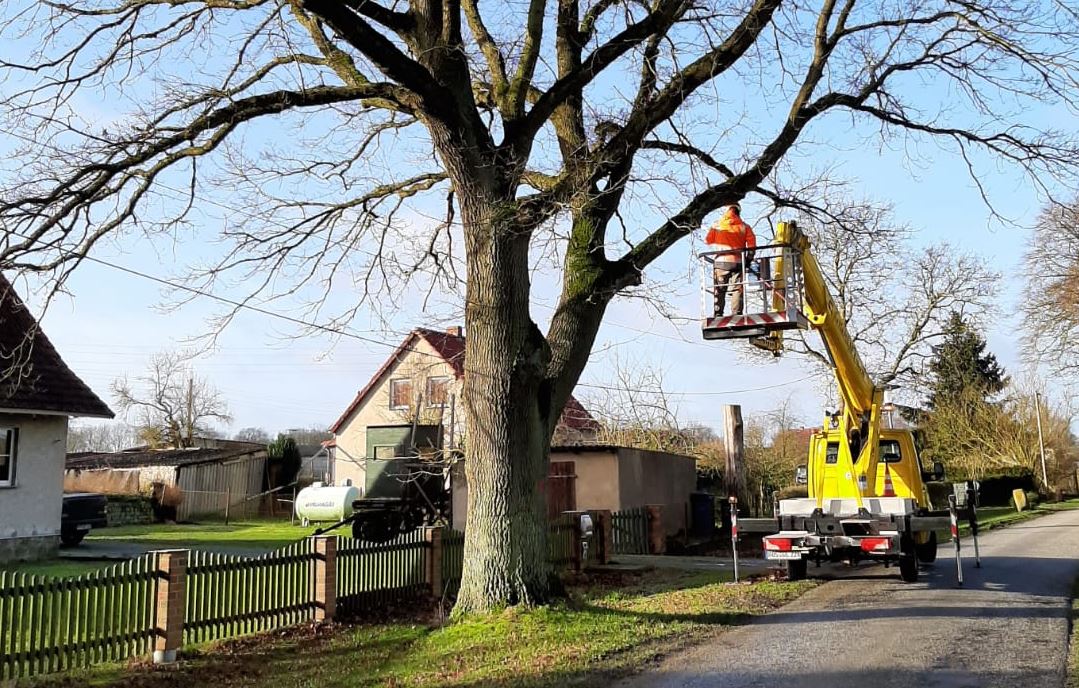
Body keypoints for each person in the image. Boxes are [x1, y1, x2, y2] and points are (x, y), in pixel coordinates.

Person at [705, 203, 756, 316]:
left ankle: (718, 313)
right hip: (738, 263)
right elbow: (752, 245)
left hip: (720, 263)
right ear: (738, 211)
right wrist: (748, 259)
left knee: (720, 289)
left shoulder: (717, 225)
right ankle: (736, 314)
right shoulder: (744, 226)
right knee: (737, 289)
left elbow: (708, 240)